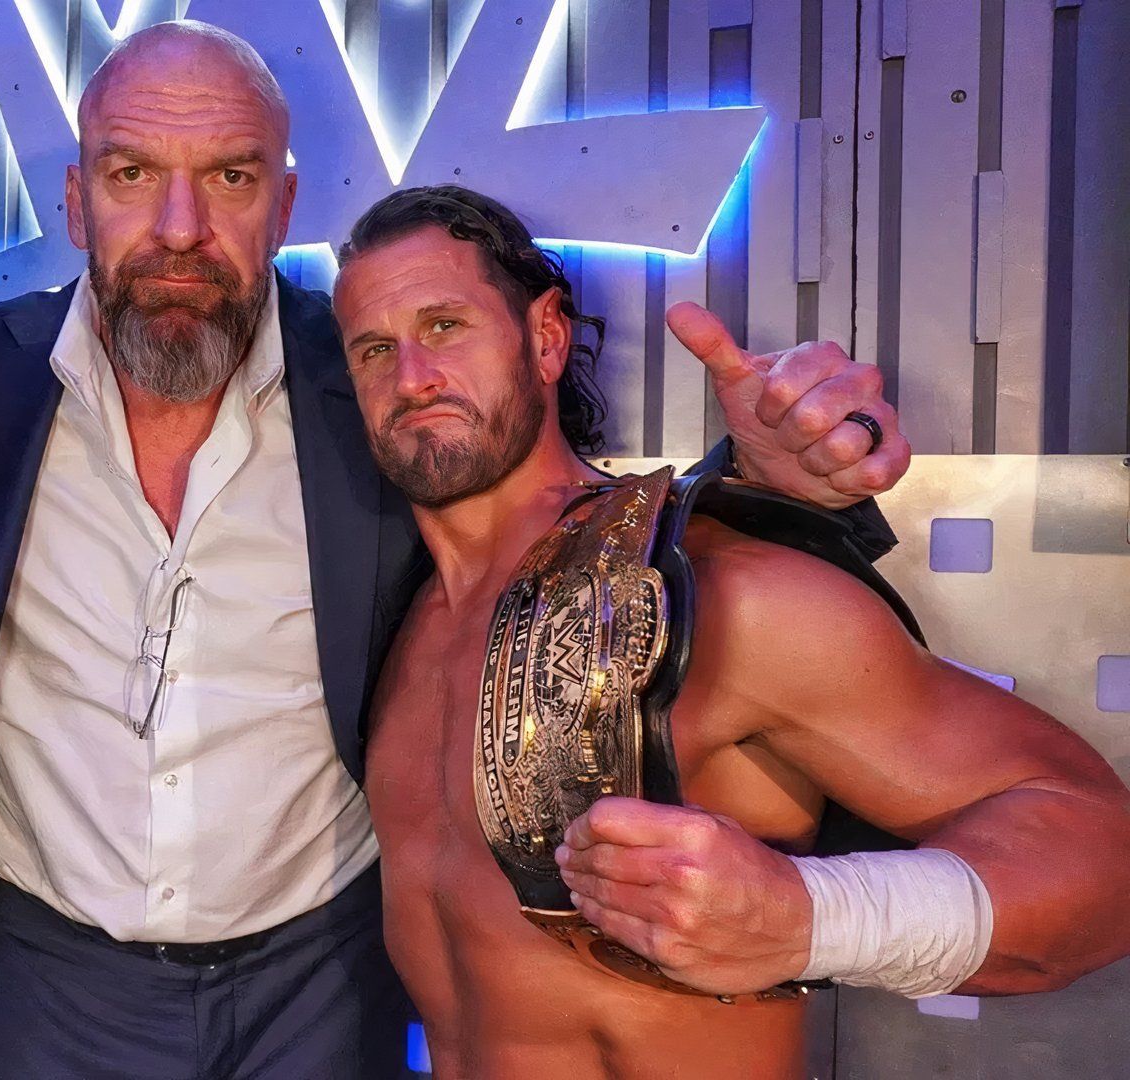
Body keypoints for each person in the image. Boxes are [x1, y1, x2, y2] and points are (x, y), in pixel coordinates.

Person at [0, 21, 917, 1077]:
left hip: (319, 976)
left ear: (287, 200)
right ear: (76, 191)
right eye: (131, 173)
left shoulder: (380, 377)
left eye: (228, 178)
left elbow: (570, 539)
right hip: (48, 975)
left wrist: (786, 490)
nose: (177, 226)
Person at [335, 184, 1130, 1079]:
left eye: (445, 326)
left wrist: (810, 915)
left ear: (546, 337)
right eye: (373, 349)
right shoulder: (396, 629)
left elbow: (1101, 859)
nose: (411, 378)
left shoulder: (727, 599)